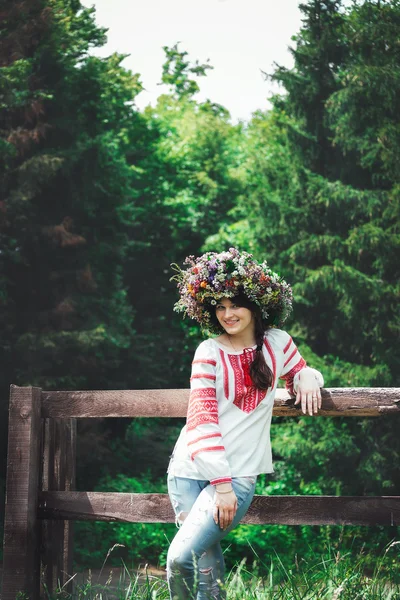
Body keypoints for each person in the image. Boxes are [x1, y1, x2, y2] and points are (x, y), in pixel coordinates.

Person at [167, 248, 324, 600]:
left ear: (255, 305)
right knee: (196, 560)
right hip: (189, 471)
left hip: (239, 475)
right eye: (219, 307)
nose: (227, 314)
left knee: (182, 558)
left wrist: (311, 377)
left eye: (235, 304)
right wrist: (219, 485)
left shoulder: (277, 343)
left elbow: (300, 371)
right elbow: (203, 419)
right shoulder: (208, 351)